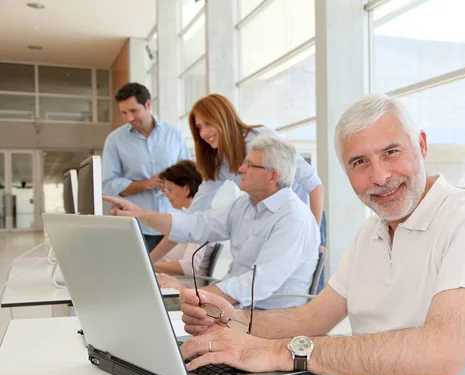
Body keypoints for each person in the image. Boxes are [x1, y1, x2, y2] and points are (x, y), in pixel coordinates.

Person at [174, 94, 465, 375]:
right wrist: (233, 319)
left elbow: (442, 354)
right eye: (359, 162)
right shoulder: (370, 232)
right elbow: (312, 318)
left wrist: (282, 353)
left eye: (391, 152)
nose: (379, 176)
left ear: (421, 145)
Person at [105, 136, 320, 309]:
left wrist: (193, 294)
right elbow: (195, 226)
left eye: (249, 165)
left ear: (273, 176)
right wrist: (140, 214)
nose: (240, 169)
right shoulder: (244, 205)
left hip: (267, 318)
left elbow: (256, 286)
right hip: (238, 309)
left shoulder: (293, 219)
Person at [149, 94, 326, 275]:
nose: (203, 133)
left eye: (208, 124)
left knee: (303, 288)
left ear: (223, 117)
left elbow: (314, 185)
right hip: (271, 224)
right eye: (199, 127)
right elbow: (188, 221)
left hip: (307, 220)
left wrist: (313, 236)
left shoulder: (260, 139)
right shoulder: (219, 163)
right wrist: (149, 261)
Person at [101, 82, 190, 252]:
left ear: (148, 105)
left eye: (134, 111)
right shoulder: (114, 140)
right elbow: (108, 184)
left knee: (170, 277)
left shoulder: (174, 134)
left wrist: (174, 183)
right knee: (136, 277)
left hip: (172, 224)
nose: (129, 118)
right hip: (136, 228)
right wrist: (145, 184)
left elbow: (188, 175)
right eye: (124, 113)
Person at [153, 160, 216, 287]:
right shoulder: (183, 220)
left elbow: (189, 266)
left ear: (186, 189)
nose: (167, 196)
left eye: (170, 190)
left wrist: (149, 265)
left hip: (181, 288)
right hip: (165, 282)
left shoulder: (199, 222)